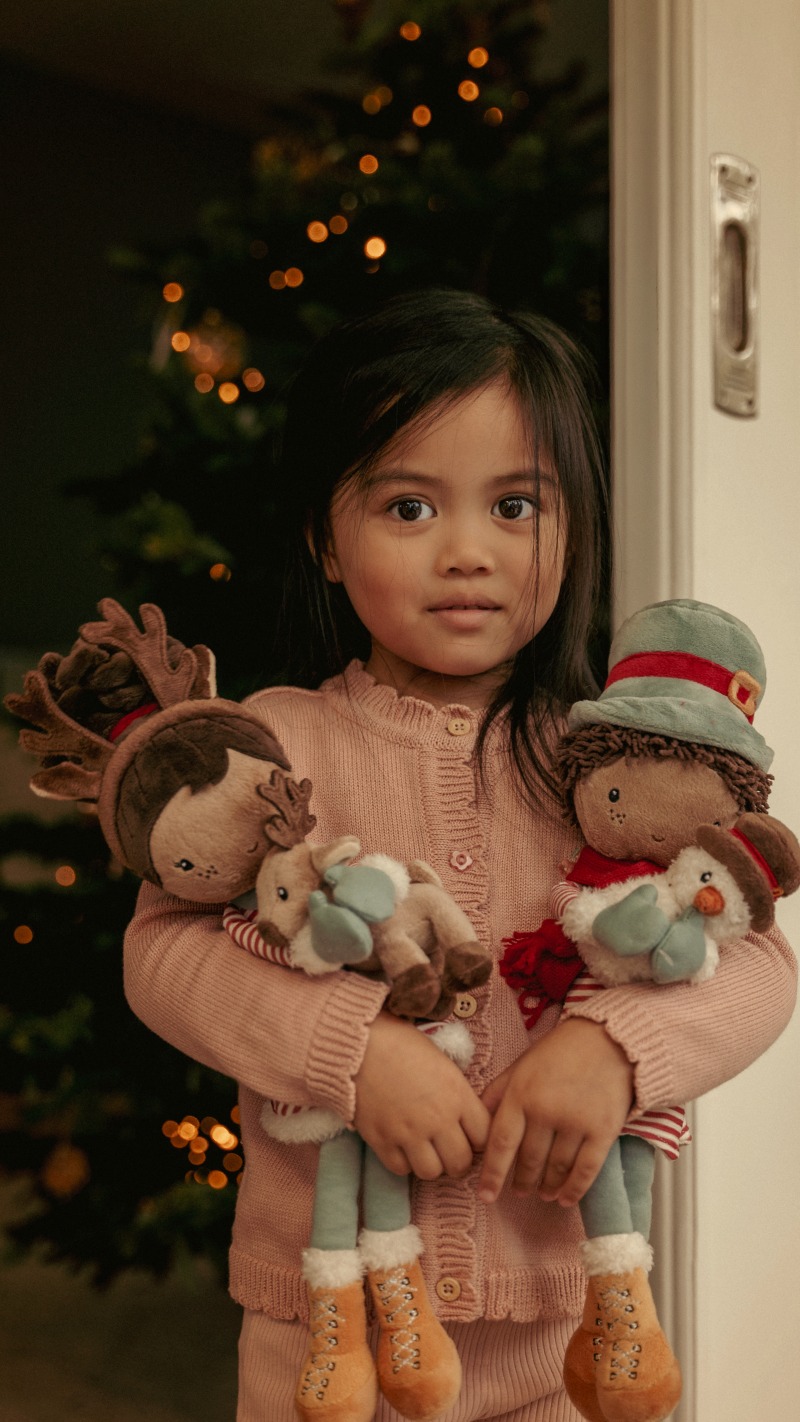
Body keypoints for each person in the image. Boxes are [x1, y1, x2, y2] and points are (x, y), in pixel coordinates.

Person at [123, 289, 797, 1422]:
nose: (468, 553)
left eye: (516, 504)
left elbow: (757, 961)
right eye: (406, 506)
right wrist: (349, 1052)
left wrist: (616, 1046)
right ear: (321, 542)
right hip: (325, 1331)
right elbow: (166, 955)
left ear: (572, 524)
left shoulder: (616, 757)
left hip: (567, 1329)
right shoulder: (270, 745)